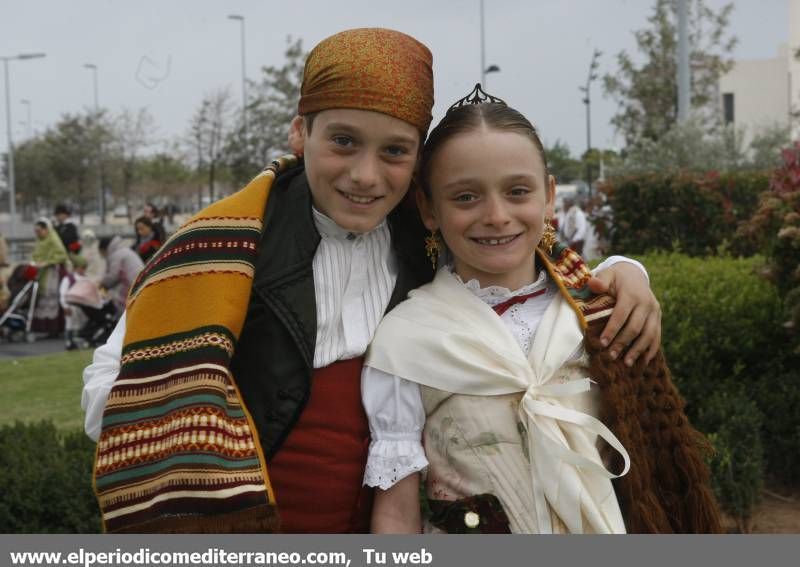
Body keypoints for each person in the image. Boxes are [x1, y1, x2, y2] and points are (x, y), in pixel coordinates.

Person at [82, 29, 661, 534]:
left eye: (394, 151)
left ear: (417, 164)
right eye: (343, 141)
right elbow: (110, 389)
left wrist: (623, 272)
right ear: (298, 133)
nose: (365, 175)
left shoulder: (427, 233)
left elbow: (522, 262)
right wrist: (199, 411)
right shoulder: (221, 249)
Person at [362, 88, 721, 534]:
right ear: (428, 208)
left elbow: (656, 472)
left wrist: (629, 269)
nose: (496, 215)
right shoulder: (404, 341)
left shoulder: (599, 312)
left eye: (517, 191)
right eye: (465, 197)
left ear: (548, 197)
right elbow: (397, 512)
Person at [31, 218, 69, 335]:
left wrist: (47, 262)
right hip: (41, 272)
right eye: (36, 231)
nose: (37, 233)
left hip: (52, 272)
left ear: (46, 229)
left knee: (51, 298)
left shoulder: (53, 239)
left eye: (39, 230)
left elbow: (62, 255)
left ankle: (54, 328)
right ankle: (45, 328)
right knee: (42, 298)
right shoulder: (39, 241)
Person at [97, 235, 144, 315]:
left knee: (119, 304)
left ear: (104, 249)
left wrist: (101, 283)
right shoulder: (124, 250)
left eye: (102, 253)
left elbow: (113, 275)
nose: (103, 256)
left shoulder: (116, 255)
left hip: (132, 284)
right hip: (140, 281)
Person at [59, 255, 90, 350]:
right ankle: (69, 342)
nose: (83, 271)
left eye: (85, 268)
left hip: (82, 307)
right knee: (70, 324)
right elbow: (63, 293)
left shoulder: (85, 279)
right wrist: (65, 306)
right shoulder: (68, 279)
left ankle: (82, 340)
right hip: (71, 307)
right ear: (76, 267)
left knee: (82, 324)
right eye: (82, 268)